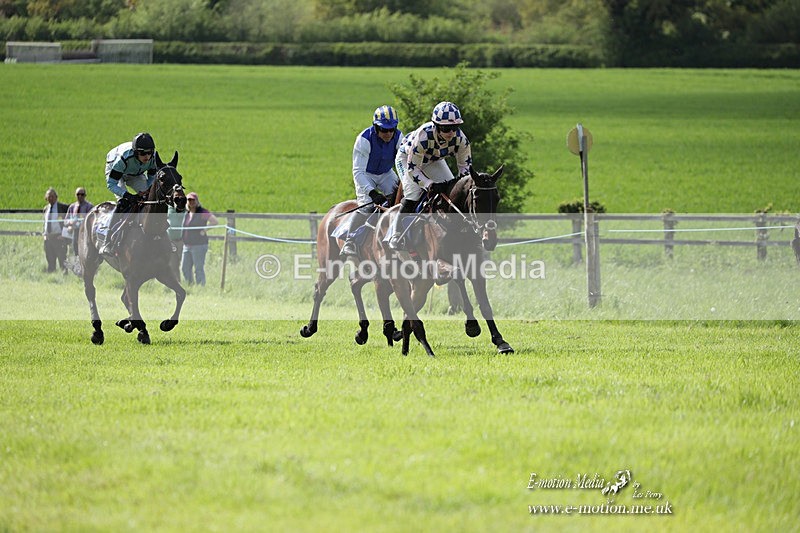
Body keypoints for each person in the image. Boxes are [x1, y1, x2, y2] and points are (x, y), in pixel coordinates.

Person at [389, 101, 473, 250]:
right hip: (407, 159)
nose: (451, 133)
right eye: (446, 128)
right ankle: (395, 234)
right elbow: (413, 169)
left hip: (434, 160)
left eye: (455, 127)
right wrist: (429, 184)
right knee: (413, 193)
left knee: (451, 190)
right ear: (436, 126)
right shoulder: (424, 135)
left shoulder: (462, 140)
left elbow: (465, 171)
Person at [340, 105, 403, 256]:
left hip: (386, 173)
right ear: (375, 127)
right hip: (365, 174)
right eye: (383, 130)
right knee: (366, 207)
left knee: (402, 199)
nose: (388, 133)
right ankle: (350, 240)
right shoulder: (364, 140)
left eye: (391, 129)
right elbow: (358, 171)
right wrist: (372, 192)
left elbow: (403, 163)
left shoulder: (399, 137)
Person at [99, 132, 158, 255]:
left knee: (148, 199)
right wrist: (127, 195)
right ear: (136, 152)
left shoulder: (153, 158)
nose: (147, 156)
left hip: (135, 173)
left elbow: (152, 177)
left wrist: (147, 191)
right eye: (143, 153)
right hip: (116, 172)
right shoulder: (124, 158)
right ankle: (107, 241)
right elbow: (111, 184)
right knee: (123, 202)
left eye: (149, 152)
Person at [181, 192, 218, 286]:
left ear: (197, 201)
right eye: (189, 200)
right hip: (187, 245)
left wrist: (204, 230)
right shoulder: (187, 213)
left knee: (198, 268)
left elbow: (214, 221)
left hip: (199, 245)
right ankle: (190, 285)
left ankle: (201, 287)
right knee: (185, 268)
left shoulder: (202, 212)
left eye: (193, 200)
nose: (191, 202)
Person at [42, 187, 68, 272]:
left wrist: (64, 234)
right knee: (50, 259)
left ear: (56, 197)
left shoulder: (63, 208)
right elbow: (44, 223)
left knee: (62, 260)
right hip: (48, 239)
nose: (50, 198)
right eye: (49, 196)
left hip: (59, 238)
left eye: (52, 196)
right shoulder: (46, 209)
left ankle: (65, 278)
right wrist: (44, 235)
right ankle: (52, 278)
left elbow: (69, 222)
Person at [63, 186, 93, 255]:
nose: (80, 196)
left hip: (85, 233)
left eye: (82, 194)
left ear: (85, 195)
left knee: (85, 252)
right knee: (75, 251)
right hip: (74, 232)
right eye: (78, 194)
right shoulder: (72, 207)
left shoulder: (89, 206)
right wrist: (70, 222)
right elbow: (65, 221)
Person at [167, 204, 184, 281]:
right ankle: (176, 282)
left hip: (182, 241)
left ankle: (190, 282)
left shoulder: (185, 207)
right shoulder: (169, 208)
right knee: (173, 264)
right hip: (170, 241)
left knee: (184, 264)